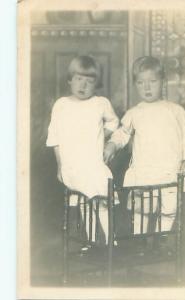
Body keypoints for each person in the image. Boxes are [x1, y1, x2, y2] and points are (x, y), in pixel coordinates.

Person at [104, 56, 185, 236]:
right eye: (141, 82)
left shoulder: (175, 111)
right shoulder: (135, 112)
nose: (147, 87)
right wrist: (113, 144)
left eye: (152, 81)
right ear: (135, 84)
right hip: (144, 170)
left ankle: (162, 238)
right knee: (141, 209)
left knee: (169, 208)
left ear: (163, 82)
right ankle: (140, 239)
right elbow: (123, 132)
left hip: (169, 169)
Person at [46, 55, 119, 245]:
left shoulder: (100, 103)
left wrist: (103, 134)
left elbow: (114, 121)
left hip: (94, 164)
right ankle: (95, 242)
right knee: (90, 199)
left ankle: (110, 241)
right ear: (70, 79)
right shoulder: (61, 105)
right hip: (72, 166)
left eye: (89, 81)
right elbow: (54, 138)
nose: (83, 85)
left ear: (96, 84)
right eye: (79, 79)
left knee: (100, 200)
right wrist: (59, 166)